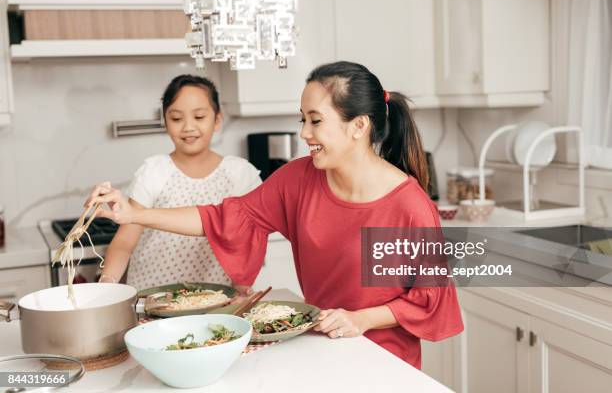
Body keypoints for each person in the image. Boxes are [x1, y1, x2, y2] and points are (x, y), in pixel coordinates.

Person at [88, 61, 463, 368]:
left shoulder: (407, 206)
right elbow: (223, 218)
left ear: (358, 126)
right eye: (302, 119)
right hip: (321, 348)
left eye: (315, 121)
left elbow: (429, 298)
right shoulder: (299, 179)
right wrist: (137, 214)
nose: (303, 132)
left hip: (384, 362)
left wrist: (361, 318)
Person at [97, 74, 261, 290]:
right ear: (165, 122)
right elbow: (125, 242)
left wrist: (241, 289)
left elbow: (251, 242)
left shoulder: (240, 174)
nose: (188, 127)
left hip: (217, 300)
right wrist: (107, 285)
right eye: (176, 118)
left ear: (217, 120)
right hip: (151, 298)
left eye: (199, 117)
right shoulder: (154, 171)